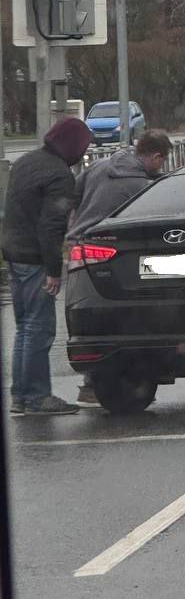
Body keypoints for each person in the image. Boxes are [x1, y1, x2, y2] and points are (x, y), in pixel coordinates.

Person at [69, 129, 173, 406]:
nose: (160, 167)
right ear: (154, 156)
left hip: (79, 246)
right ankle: (106, 381)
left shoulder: (100, 166)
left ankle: (91, 384)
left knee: (89, 316)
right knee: (122, 318)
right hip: (112, 251)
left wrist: (74, 229)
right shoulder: (141, 187)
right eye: (161, 162)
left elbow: (72, 196)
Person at [2, 116, 91, 415]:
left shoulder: (27, 161)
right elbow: (51, 227)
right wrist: (54, 270)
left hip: (14, 253)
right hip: (35, 258)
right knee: (39, 329)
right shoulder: (59, 176)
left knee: (25, 328)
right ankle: (38, 397)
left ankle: (21, 395)